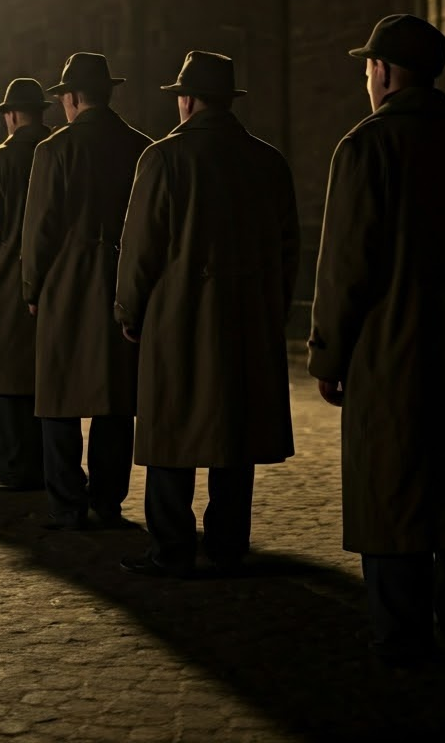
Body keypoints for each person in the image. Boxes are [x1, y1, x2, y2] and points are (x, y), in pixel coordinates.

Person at [308, 13, 445, 666]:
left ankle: (401, 630)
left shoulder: (366, 147)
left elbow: (346, 265)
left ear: (384, 71)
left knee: (393, 488)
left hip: (388, 351)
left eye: (368, 67)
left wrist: (329, 353)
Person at [114, 51, 299, 577]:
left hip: (179, 316)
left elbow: (141, 246)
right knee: (233, 436)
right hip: (246, 319)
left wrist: (130, 308)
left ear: (187, 100)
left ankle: (170, 547)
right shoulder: (269, 161)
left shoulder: (165, 158)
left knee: (171, 433)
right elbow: (289, 248)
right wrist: (273, 309)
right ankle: (227, 545)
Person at [21, 52, 152, 530]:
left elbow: (40, 228)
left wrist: (32, 285)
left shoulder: (54, 150)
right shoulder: (142, 146)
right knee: (115, 400)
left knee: (58, 396)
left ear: (72, 98)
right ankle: (108, 498)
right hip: (123, 279)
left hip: (66, 283)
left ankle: (67, 500)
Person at [0, 78, 53, 491]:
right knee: (46, 379)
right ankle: (48, 466)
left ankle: (13, 467)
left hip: (4, 277)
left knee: (3, 378)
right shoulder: (59, 149)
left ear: (12, 115)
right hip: (55, 279)